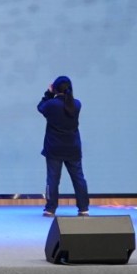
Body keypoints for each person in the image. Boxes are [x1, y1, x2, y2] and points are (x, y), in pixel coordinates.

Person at [39, 75, 89, 217]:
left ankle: (50, 209)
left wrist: (48, 93)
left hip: (54, 148)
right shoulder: (77, 104)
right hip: (73, 148)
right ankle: (84, 208)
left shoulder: (51, 104)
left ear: (55, 89)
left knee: (52, 179)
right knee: (78, 178)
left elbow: (40, 107)